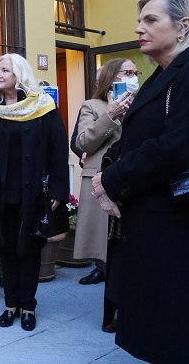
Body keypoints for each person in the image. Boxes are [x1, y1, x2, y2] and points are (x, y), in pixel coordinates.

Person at [92, 0, 189, 363]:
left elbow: (177, 146)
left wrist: (112, 180)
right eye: (139, 20)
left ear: (183, 26)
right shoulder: (158, 77)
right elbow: (131, 139)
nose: (139, 28)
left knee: (181, 326)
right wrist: (107, 174)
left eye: (151, 20)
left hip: (182, 224)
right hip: (154, 220)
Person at [0, 53, 69, 332]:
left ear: (19, 74)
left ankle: (28, 306)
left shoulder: (42, 107)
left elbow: (58, 150)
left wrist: (59, 188)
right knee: (7, 248)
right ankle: (10, 304)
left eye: (5, 70)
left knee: (30, 248)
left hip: (33, 190)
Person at [74, 58, 135, 289]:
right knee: (104, 244)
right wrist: (110, 114)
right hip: (100, 178)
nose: (133, 76)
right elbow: (83, 143)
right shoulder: (92, 105)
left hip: (131, 177)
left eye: (134, 72)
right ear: (112, 78)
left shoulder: (140, 104)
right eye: (127, 72)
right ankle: (106, 280)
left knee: (127, 244)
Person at [70, 66, 103, 167]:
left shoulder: (133, 103)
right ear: (97, 85)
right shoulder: (89, 106)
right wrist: (83, 154)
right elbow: (75, 141)